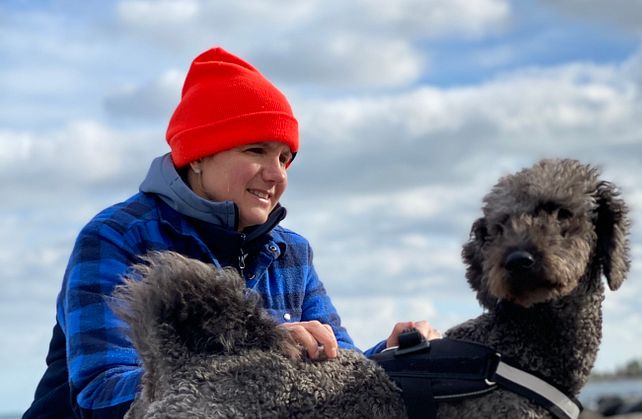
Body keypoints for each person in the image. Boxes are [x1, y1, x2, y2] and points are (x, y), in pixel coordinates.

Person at [23, 46, 439, 419]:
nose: (276, 174)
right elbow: (101, 396)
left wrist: (392, 356)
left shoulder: (291, 251)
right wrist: (256, 355)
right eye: (255, 150)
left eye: (285, 157)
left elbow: (336, 367)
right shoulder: (116, 237)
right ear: (199, 155)